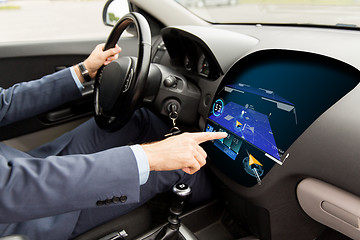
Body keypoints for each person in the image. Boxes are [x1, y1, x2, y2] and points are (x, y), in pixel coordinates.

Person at [0, 43, 226, 240]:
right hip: (25, 213)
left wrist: (83, 71)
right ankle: (226, 214)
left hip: (24, 165)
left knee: (139, 120)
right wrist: (152, 156)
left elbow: (3, 103)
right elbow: (12, 188)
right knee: (178, 167)